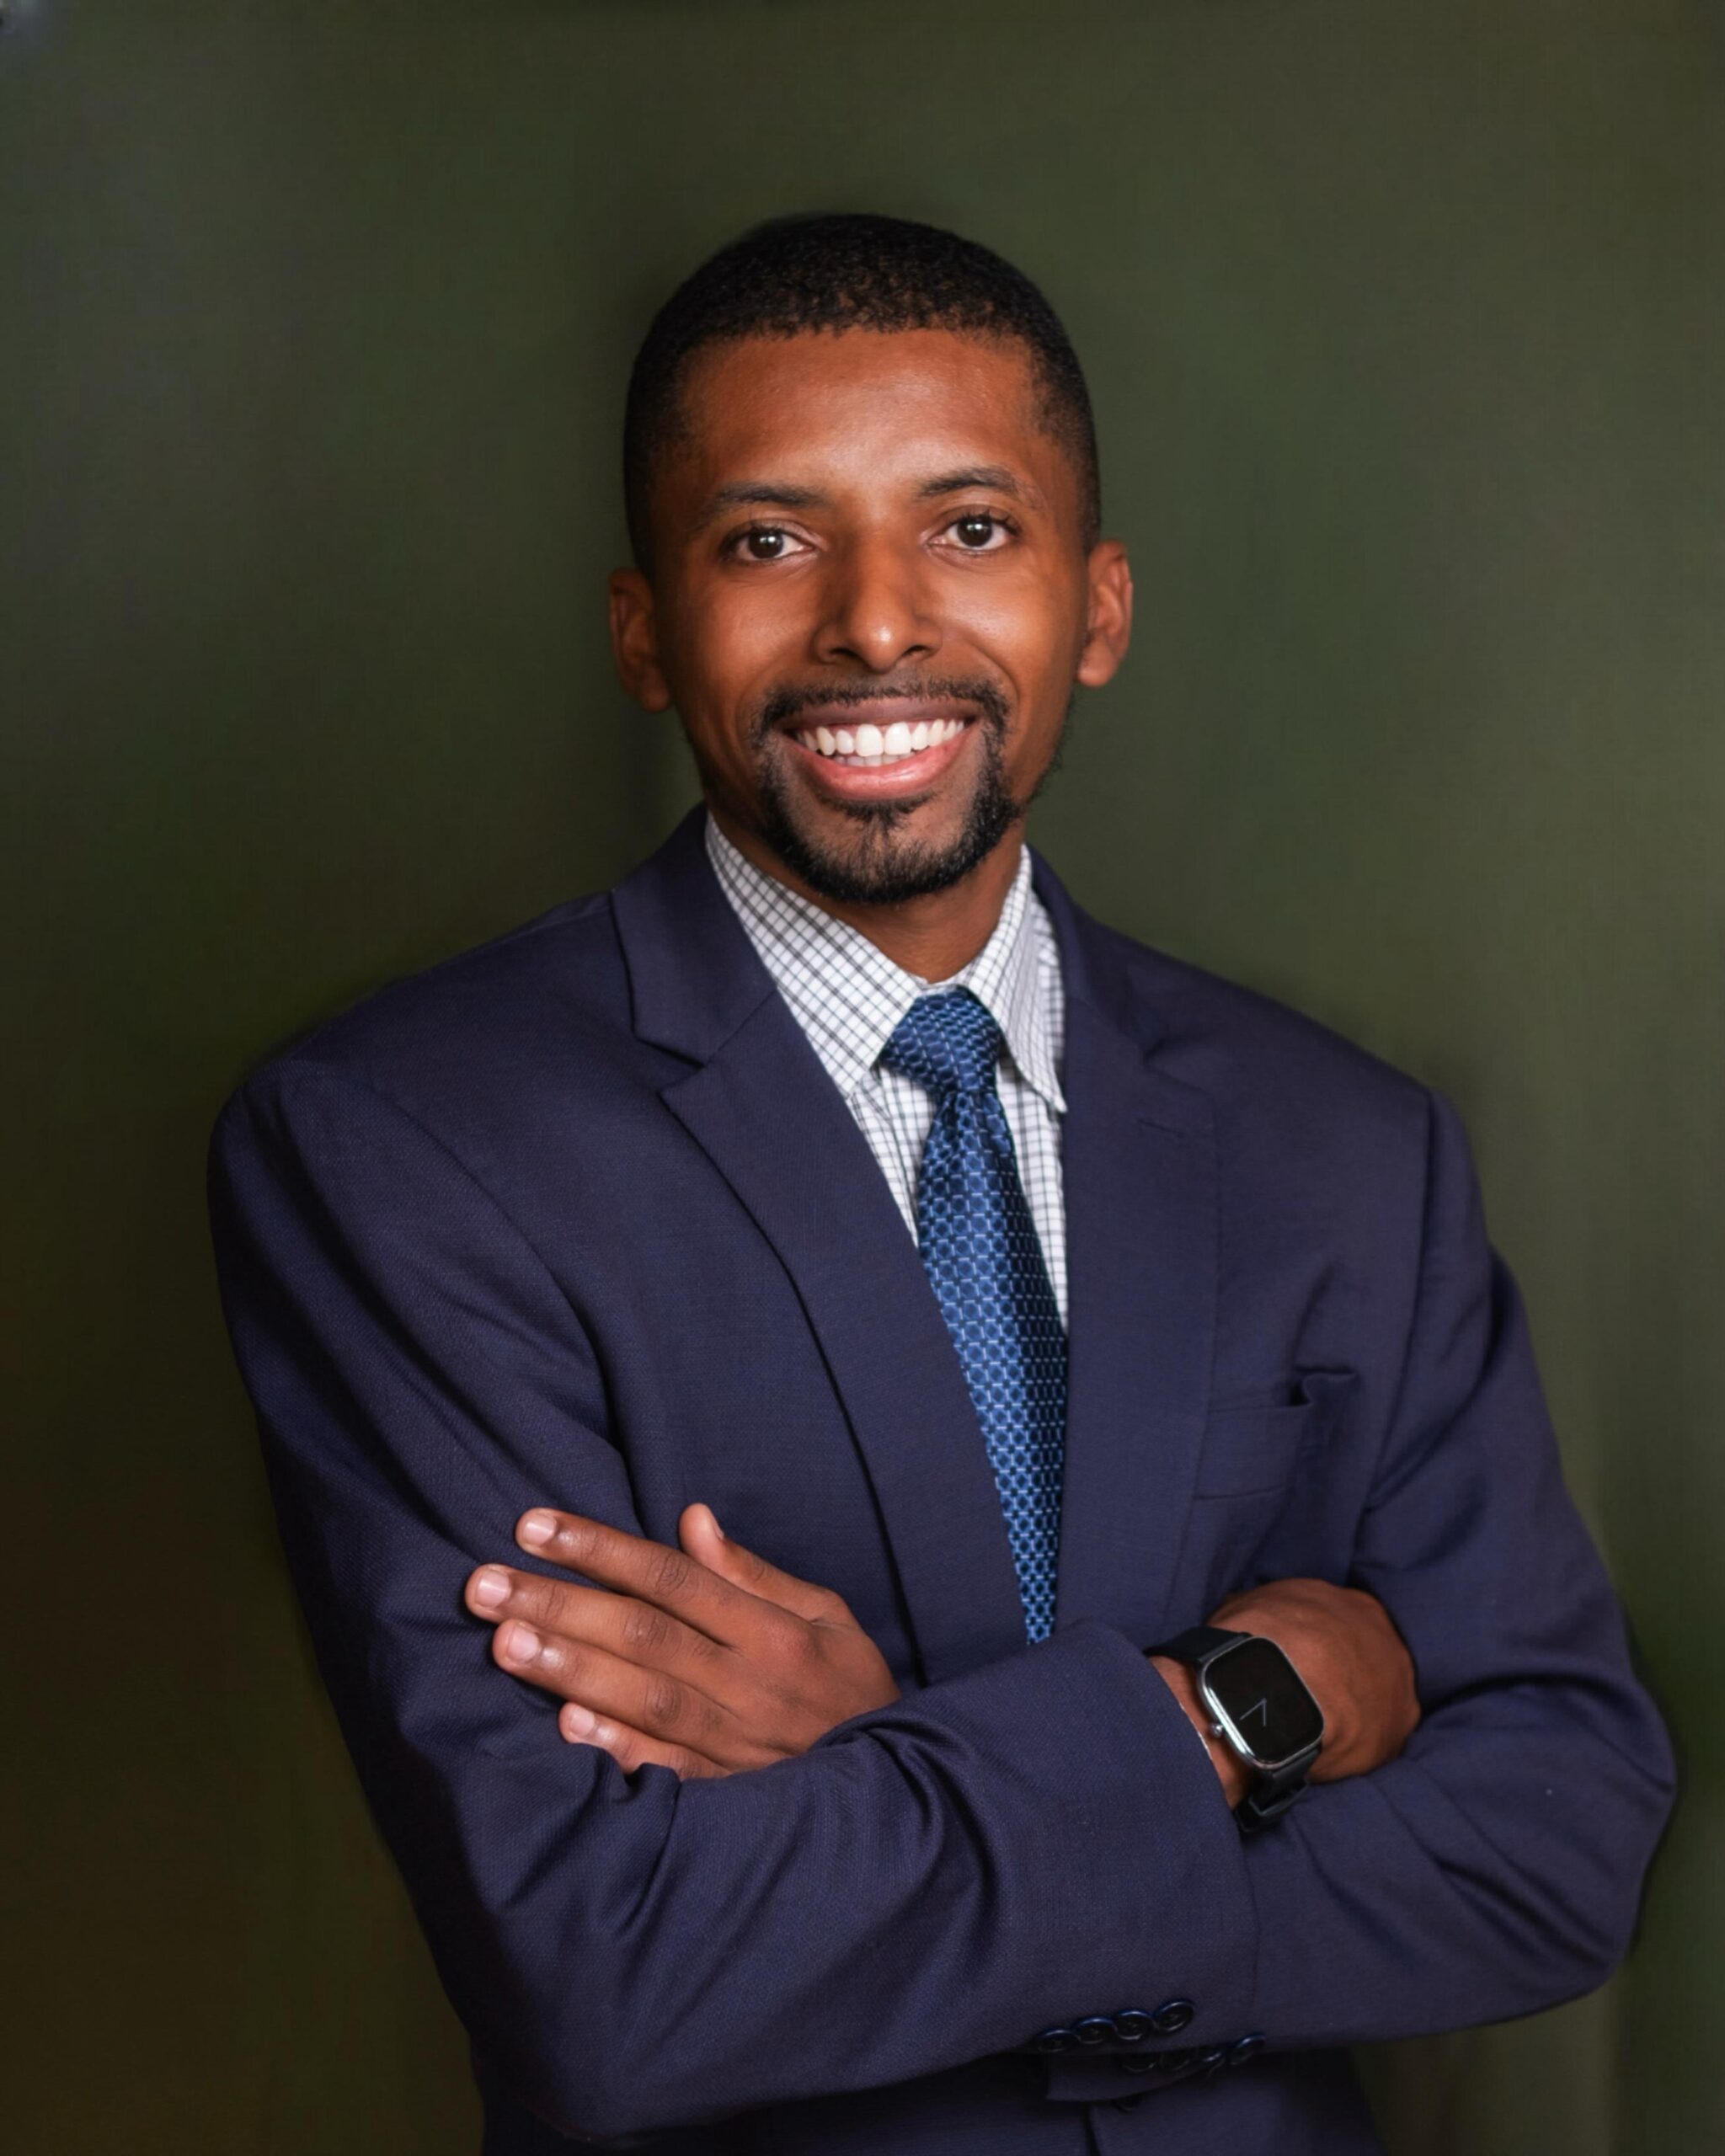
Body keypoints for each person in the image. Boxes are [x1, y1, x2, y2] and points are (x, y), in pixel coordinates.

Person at [207, 214, 1674, 2156]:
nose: (877, 624)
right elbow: (610, 1965)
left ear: (1099, 606)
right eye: (768, 540)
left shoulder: (1348, 1148)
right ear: (643, 632)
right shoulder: (406, 1145)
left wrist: (889, 1764)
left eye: (969, 527)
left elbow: (1554, 1838)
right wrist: (1230, 1710)